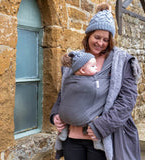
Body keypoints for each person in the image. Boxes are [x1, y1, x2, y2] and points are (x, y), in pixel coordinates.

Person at [50, 2, 141, 160]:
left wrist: (102, 126)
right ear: (88, 35)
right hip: (72, 137)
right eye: (97, 37)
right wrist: (55, 114)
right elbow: (65, 92)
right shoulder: (76, 59)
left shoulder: (121, 61)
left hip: (101, 138)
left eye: (105, 39)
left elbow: (127, 100)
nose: (100, 43)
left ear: (110, 40)